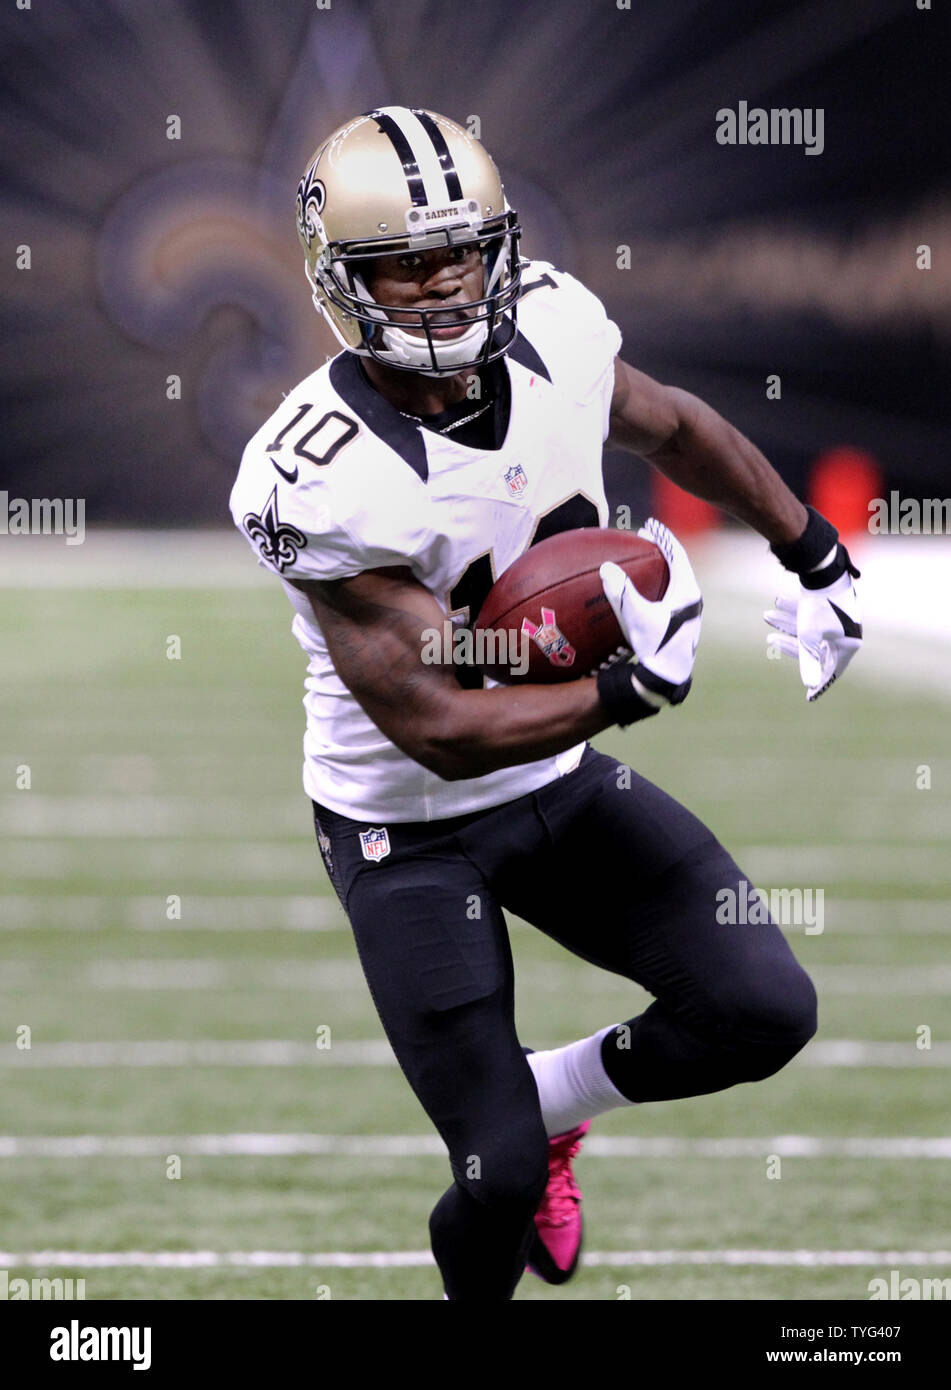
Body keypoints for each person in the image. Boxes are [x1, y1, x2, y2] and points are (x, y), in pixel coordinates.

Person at [230, 106, 863, 1300]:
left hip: (557, 782)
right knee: (496, 1170)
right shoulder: (313, 474)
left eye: (461, 253)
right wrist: (625, 688)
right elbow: (439, 723)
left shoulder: (558, 334)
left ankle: (557, 1098)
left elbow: (678, 425)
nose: (442, 288)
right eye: (404, 265)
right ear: (340, 284)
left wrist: (815, 552)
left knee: (763, 1008)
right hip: (403, 825)